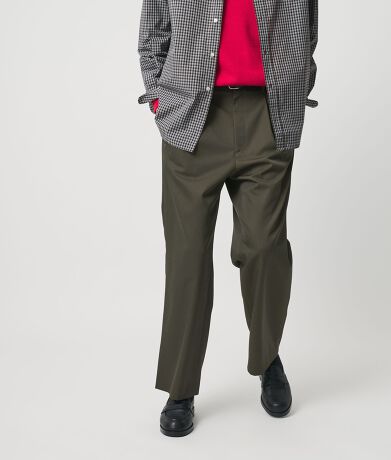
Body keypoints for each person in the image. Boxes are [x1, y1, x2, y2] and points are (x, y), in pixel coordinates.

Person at [137, 0, 318, 437]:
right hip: (191, 114)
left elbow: (307, 26)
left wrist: (294, 83)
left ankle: (267, 357)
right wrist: (160, 98)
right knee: (187, 258)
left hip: (266, 113)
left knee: (265, 246)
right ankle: (180, 388)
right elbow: (153, 31)